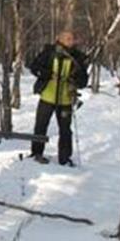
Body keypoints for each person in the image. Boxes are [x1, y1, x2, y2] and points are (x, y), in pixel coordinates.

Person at [29, 30, 88, 165]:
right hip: (47, 97)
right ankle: (37, 153)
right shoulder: (49, 53)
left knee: (66, 131)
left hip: (66, 100)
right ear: (59, 39)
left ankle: (65, 158)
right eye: (67, 38)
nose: (71, 41)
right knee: (40, 127)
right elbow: (34, 67)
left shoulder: (78, 57)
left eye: (72, 38)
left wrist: (75, 79)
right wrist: (47, 74)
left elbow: (83, 81)